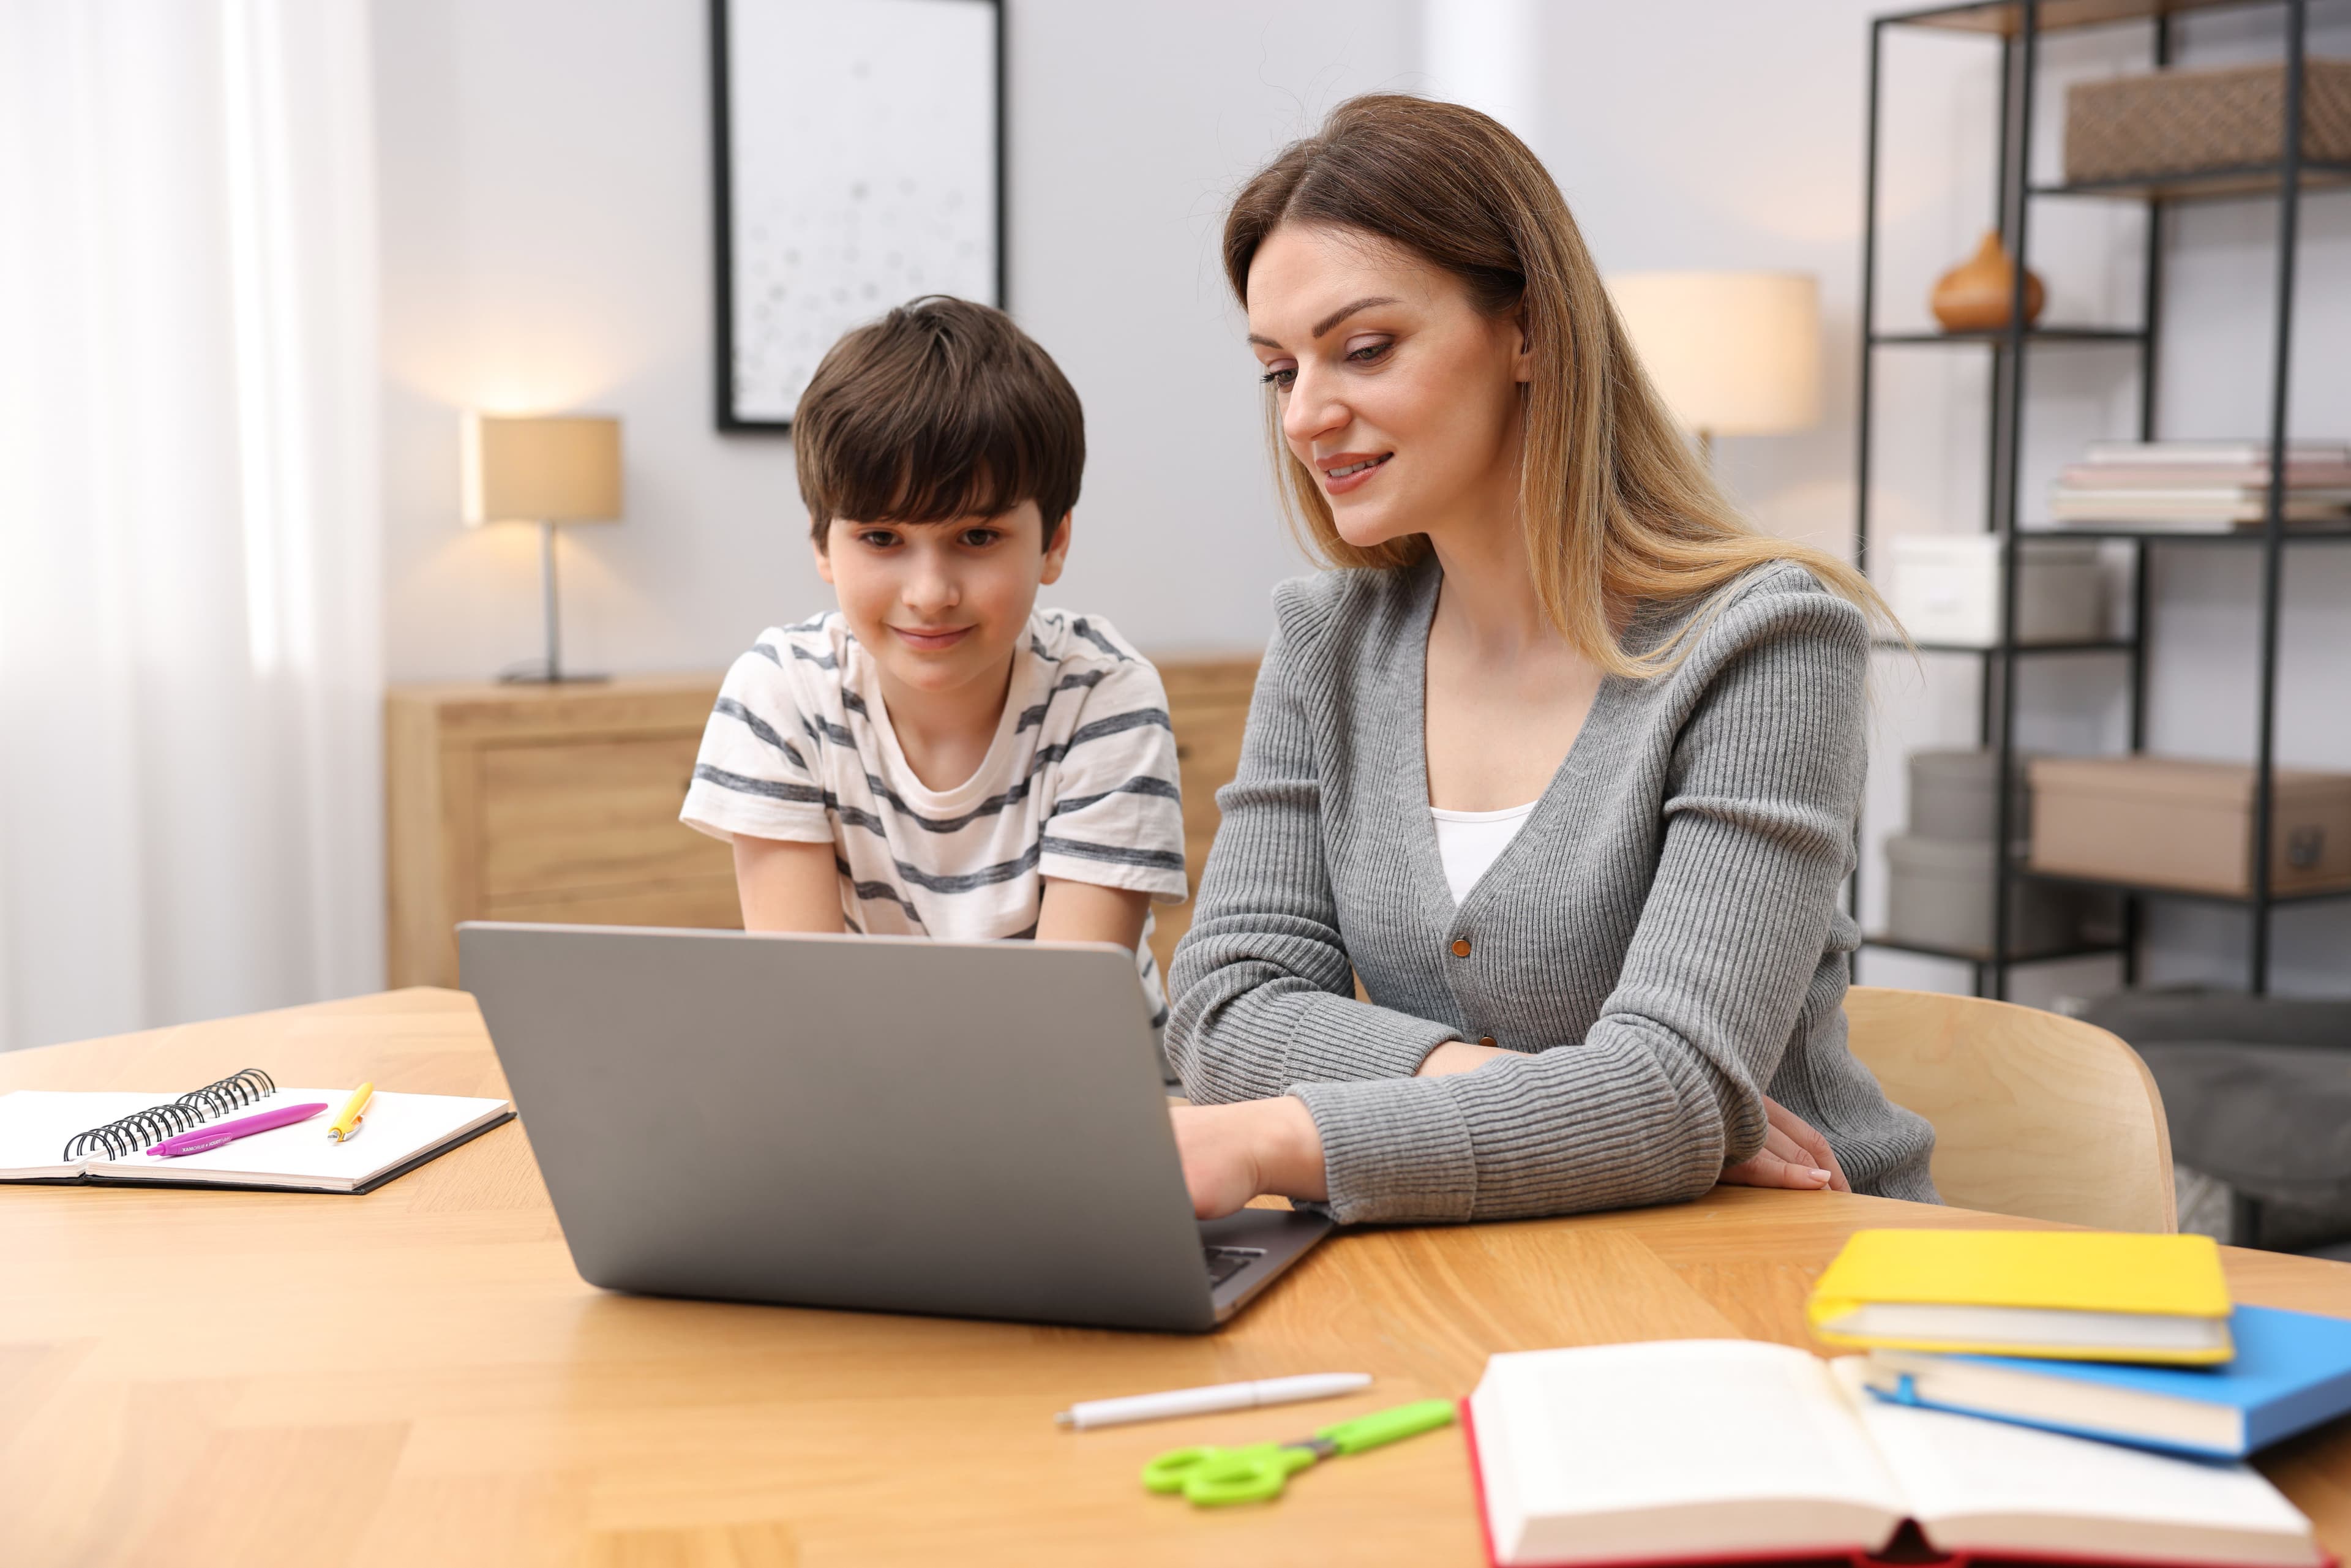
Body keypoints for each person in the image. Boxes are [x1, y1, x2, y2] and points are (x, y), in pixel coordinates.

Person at [1164, 96, 1937, 1225]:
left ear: (1528, 330)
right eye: (1282, 370)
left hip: (1788, 1264)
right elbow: (1223, 1011)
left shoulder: (1766, 643)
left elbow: (1671, 1089)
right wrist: (1523, 1089)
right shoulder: (1327, 643)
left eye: (1364, 349)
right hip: (1491, 1260)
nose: (1306, 416)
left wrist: (1281, 1132)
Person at [681, 296, 1189, 1041]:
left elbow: (1064, 1026)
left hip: (1084, 1099)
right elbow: (805, 1006)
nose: (930, 594)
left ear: (1054, 542)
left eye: (977, 535)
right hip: (861, 1094)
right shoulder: (781, 690)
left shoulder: (1104, 696)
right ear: (824, 545)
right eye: (882, 537)